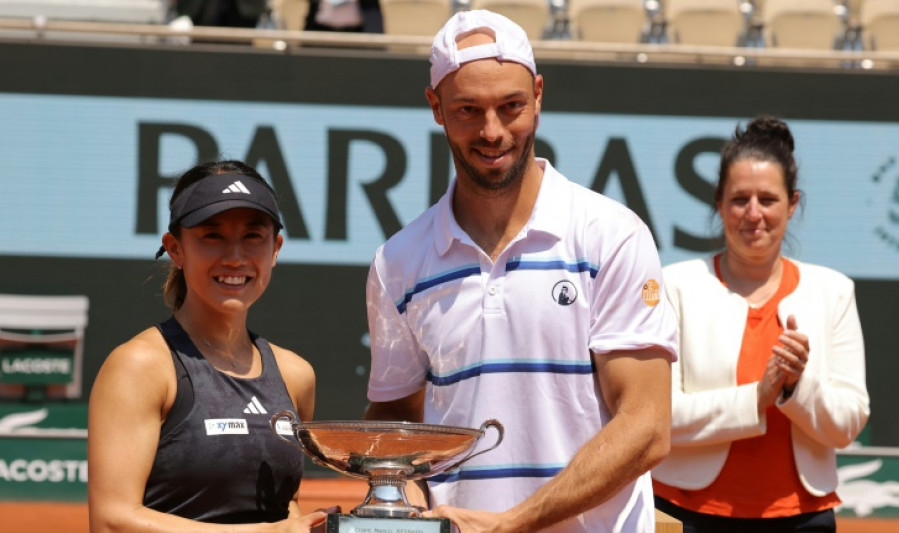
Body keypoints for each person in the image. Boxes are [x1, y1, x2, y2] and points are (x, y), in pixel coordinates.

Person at [363, 10, 679, 533]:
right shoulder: (396, 262)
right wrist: (411, 511)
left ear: (538, 95)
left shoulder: (611, 235)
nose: (492, 132)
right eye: (468, 110)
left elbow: (646, 426)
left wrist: (513, 523)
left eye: (510, 106)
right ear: (435, 107)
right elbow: (397, 417)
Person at [652, 116, 870, 532]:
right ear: (719, 204)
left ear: (793, 203)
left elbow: (847, 424)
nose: (754, 214)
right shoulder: (675, 286)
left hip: (803, 515)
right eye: (739, 199)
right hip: (684, 512)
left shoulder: (834, 291)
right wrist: (758, 397)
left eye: (768, 199)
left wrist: (794, 387)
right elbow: (658, 415)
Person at [88, 160, 332, 532]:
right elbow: (112, 520)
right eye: (212, 236)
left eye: (253, 236)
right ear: (175, 248)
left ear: (276, 248)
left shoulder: (295, 374)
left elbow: (286, 506)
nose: (235, 256)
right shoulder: (140, 366)